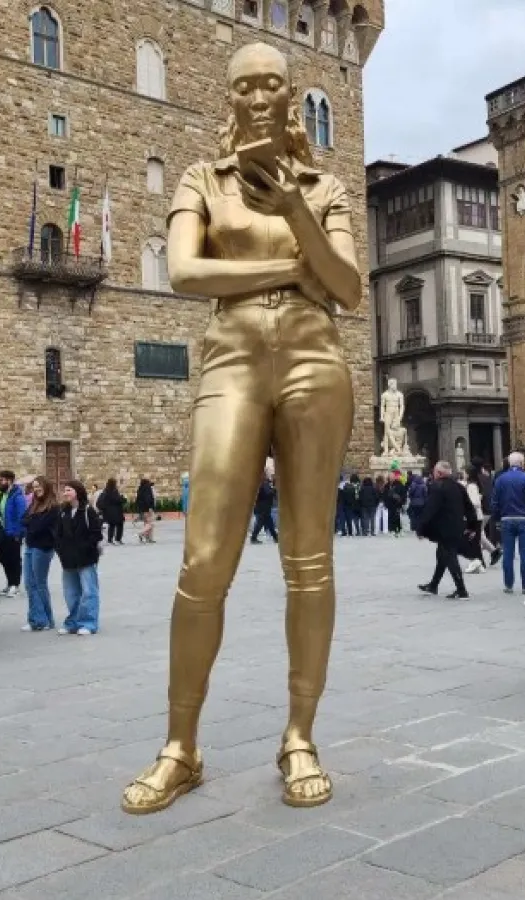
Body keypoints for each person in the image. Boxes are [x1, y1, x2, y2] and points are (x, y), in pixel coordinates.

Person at [121, 42, 360, 815]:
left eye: (272, 85)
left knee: (310, 561)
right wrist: (291, 269)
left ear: (291, 97)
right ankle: (179, 746)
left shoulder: (324, 187)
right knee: (203, 559)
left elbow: (349, 287)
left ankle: (300, 738)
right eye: (245, 86)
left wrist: (294, 210)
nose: (258, 97)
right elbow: (186, 272)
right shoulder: (202, 179)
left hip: (315, 361)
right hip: (232, 360)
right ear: (229, 98)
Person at [416, 462, 475, 599]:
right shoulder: (459, 487)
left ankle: (461, 590)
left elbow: (430, 509)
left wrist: (421, 527)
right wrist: (472, 526)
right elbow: (469, 507)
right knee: (442, 555)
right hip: (457, 527)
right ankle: (433, 585)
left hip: (444, 529)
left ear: (439, 473)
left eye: (434, 471)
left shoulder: (437, 487)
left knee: (449, 556)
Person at [491, 451, 525, 596]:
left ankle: (508, 584)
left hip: (506, 519)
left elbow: (494, 502)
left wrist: (497, 518)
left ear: (509, 463)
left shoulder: (500, 479)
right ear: (522, 463)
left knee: (508, 552)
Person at [56, 480, 104, 635]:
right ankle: (73, 621)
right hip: (68, 560)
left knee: (89, 592)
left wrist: (85, 547)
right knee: (71, 593)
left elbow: (96, 534)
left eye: (69, 490)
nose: (66, 493)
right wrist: (61, 550)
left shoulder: (88, 511)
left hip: (86, 559)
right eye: (65, 490)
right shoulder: (63, 512)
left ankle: (88, 622)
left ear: (77, 491)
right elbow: (58, 534)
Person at [21, 476, 60, 632]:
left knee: (39, 584)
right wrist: (31, 523)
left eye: (39, 486)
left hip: (43, 548)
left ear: (46, 487)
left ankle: (46, 620)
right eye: (34, 486)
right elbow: (23, 520)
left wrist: (31, 523)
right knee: (29, 584)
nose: (36, 489)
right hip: (30, 546)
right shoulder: (34, 504)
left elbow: (39, 526)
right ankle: (37, 619)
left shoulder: (53, 507)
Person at [0, 470, 25, 597]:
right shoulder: (2, 495)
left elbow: (22, 515)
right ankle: (9, 583)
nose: (0, 482)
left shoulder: (17, 496)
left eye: (2, 480)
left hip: (13, 533)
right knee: (4, 559)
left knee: (14, 560)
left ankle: (15, 585)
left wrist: (19, 533)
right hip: (2, 532)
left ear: (9, 481)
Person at [98, 478, 127, 545]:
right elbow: (117, 500)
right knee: (120, 524)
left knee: (112, 525)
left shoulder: (106, 490)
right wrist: (124, 498)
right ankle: (117, 539)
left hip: (109, 511)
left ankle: (110, 539)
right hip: (116, 511)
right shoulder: (113, 491)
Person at [250, 475, 278, 543]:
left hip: (263, 508)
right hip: (262, 509)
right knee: (260, 524)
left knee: (270, 524)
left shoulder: (262, 484)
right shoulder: (264, 484)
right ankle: (253, 538)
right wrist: (274, 489)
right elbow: (269, 493)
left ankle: (275, 537)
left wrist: (273, 489)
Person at [135, 477, 156, 544]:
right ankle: (141, 533)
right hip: (147, 508)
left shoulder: (140, 489)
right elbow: (148, 498)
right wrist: (150, 507)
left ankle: (149, 538)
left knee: (146, 523)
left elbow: (137, 500)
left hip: (142, 509)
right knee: (151, 524)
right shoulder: (147, 488)